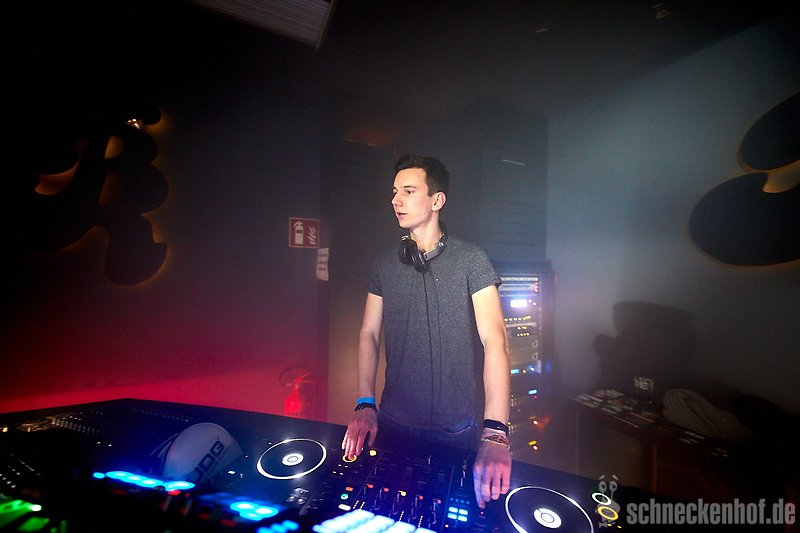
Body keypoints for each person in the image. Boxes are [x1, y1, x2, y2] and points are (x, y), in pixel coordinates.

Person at [341, 153, 512, 509]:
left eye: (408, 191)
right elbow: (369, 333)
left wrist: (496, 433)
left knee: (450, 512)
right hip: (393, 419)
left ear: (437, 200)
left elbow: (495, 340)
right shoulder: (384, 263)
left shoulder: (471, 260)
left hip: (456, 426)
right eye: (394, 192)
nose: (396, 200)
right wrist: (365, 403)